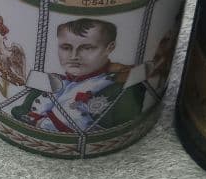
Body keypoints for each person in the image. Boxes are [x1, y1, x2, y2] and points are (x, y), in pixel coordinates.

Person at [13, 18, 145, 133]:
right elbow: (19, 112)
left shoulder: (121, 87)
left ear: (109, 48)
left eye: (87, 48)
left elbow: (121, 129)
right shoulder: (50, 81)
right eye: (66, 47)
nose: (74, 56)